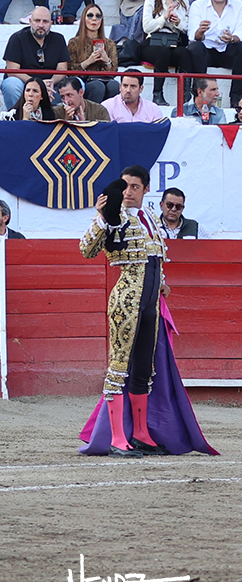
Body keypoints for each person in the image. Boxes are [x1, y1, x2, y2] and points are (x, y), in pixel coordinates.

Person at [76, 165, 215, 457]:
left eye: (135, 187)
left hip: (150, 305)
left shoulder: (150, 216)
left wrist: (161, 282)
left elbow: (155, 258)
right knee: (118, 368)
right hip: (125, 303)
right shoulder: (113, 216)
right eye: (124, 186)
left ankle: (140, 434)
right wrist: (103, 217)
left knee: (143, 370)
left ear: (145, 189)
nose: (128, 192)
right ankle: (116, 437)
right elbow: (86, 249)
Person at [138, 0, 193, 106]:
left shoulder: (183, 1)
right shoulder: (151, 0)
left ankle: (186, 96)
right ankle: (157, 95)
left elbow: (189, 28)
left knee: (184, 53)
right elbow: (147, 27)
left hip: (173, 42)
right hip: (153, 43)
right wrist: (164, 17)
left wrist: (177, 22)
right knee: (163, 52)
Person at [188, 0, 242, 109]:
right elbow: (193, 36)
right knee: (195, 47)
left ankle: (237, 99)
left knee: (241, 47)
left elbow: (240, 33)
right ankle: (200, 96)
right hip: (206, 52)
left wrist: (232, 38)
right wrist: (200, 31)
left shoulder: (239, 5)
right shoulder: (198, 5)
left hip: (228, 50)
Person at [0, 5, 70, 109]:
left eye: (45, 21)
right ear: (30, 21)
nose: (41, 25)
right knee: (11, 84)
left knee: (77, 84)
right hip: (25, 84)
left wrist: (50, 83)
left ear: (51, 23)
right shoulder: (17, 38)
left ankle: (57, 117)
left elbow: (62, 69)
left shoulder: (58, 39)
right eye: (37, 21)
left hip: (51, 86)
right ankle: (18, 116)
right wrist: (38, 84)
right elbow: (12, 71)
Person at [66, 5, 120, 103]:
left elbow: (114, 70)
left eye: (98, 16)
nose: (94, 19)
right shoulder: (74, 42)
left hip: (106, 79)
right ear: (84, 19)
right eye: (90, 15)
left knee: (114, 86)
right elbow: (70, 70)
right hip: (85, 80)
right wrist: (89, 61)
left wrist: (107, 61)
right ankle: (91, 112)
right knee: (97, 87)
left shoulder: (110, 43)